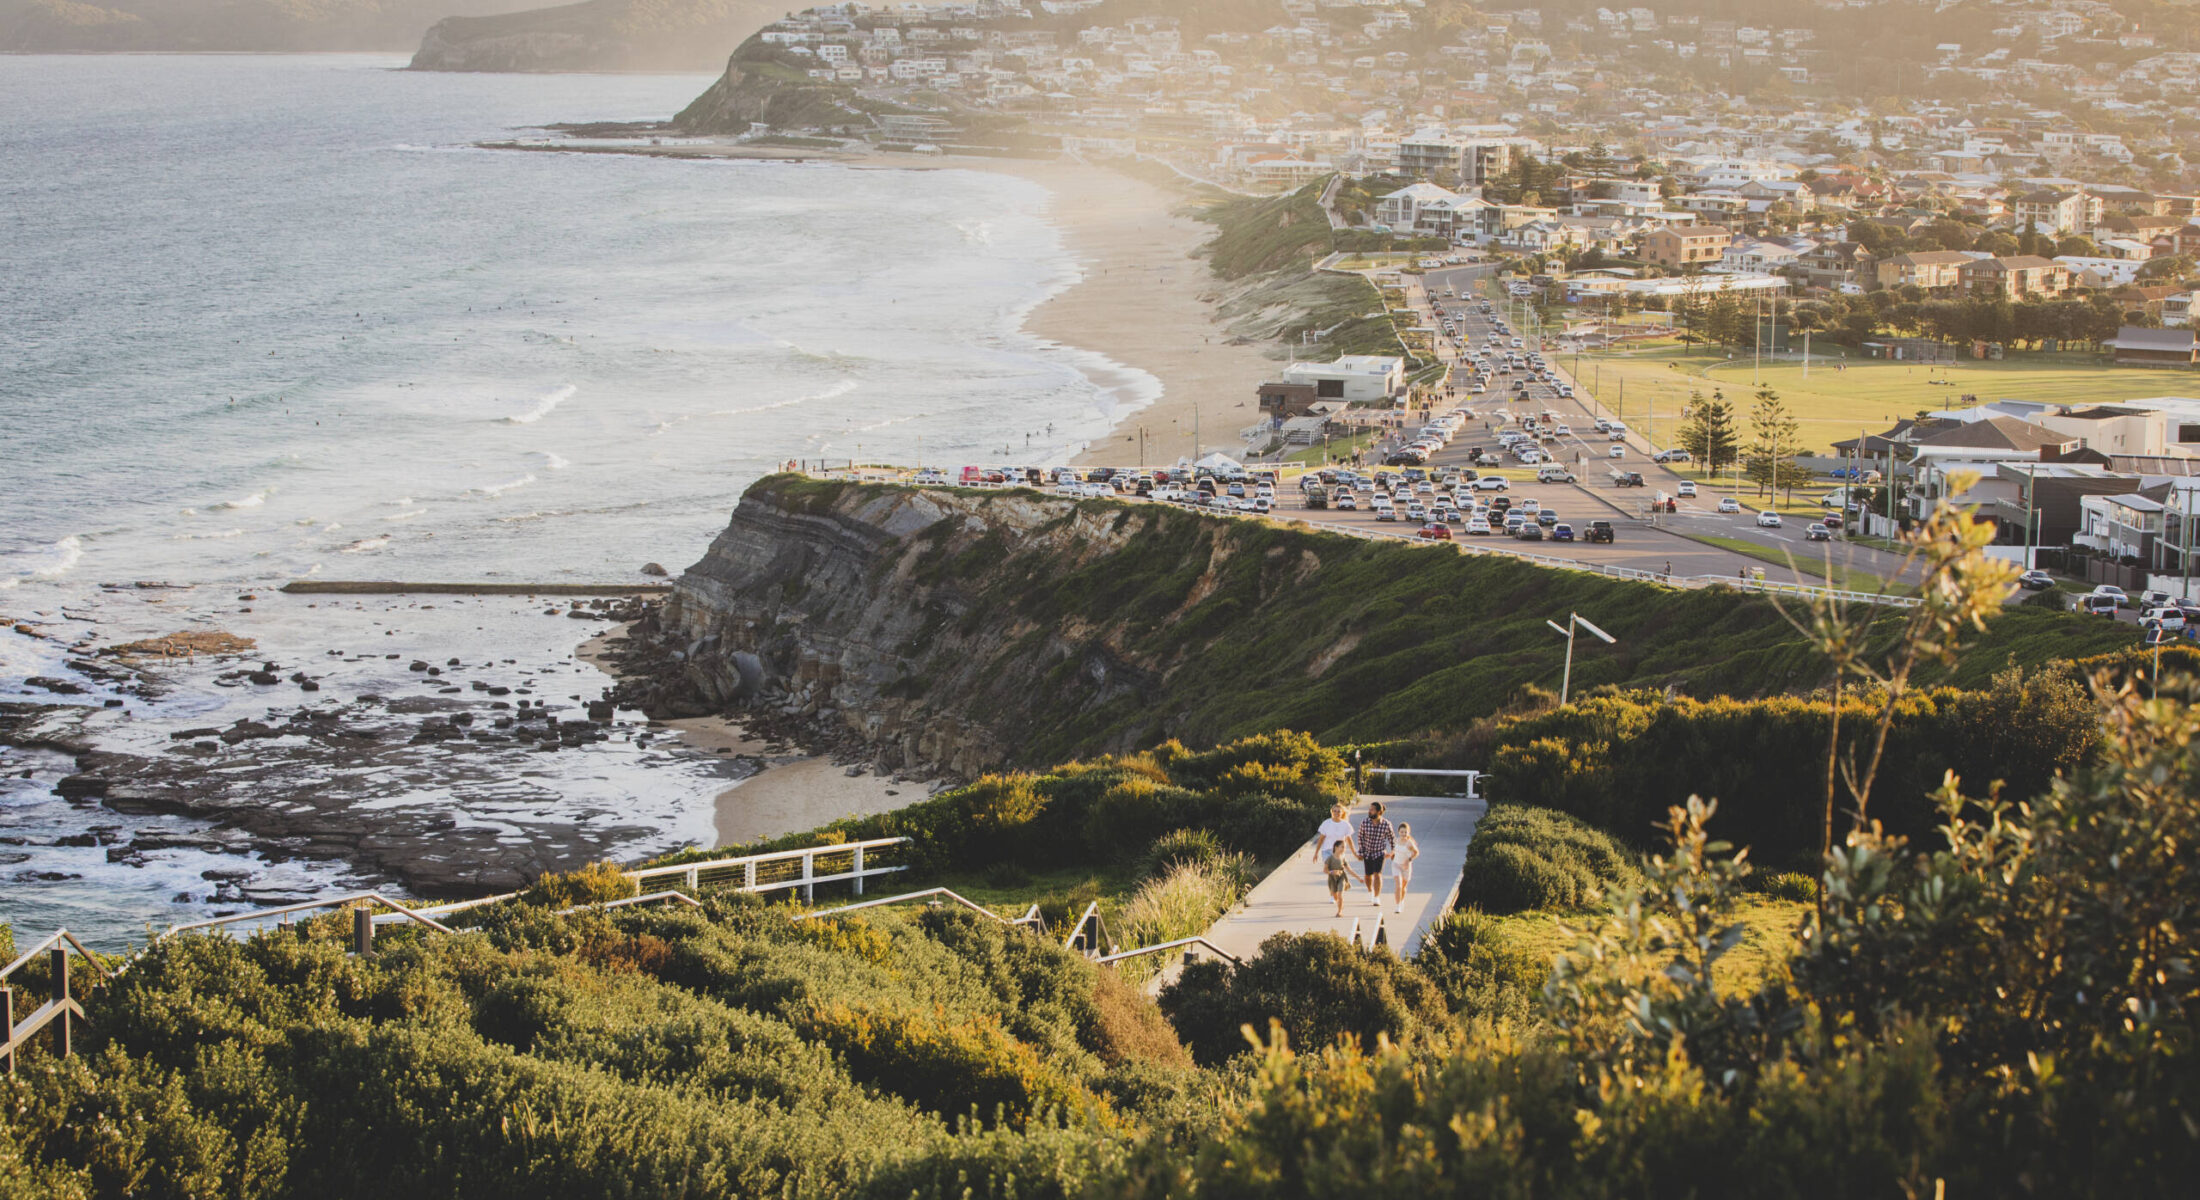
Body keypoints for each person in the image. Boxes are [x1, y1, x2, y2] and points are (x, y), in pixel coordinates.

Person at [1354, 801, 1396, 906]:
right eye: (1369, 809)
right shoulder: (1365, 822)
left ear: (1379, 811)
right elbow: (1360, 837)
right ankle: (1370, 891)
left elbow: (1392, 839)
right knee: (1368, 876)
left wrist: (1393, 852)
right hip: (1367, 852)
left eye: (1372, 809)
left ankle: (1377, 897)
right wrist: (1361, 852)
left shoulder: (1386, 824)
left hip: (1379, 853)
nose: (1369, 811)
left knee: (1378, 874)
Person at [1391, 822, 1420, 913]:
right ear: (1398, 832)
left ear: (1408, 833)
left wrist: (1409, 860)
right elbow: (1394, 851)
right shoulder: (1395, 840)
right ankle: (1398, 905)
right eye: (1402, 832)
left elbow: (1416, 853)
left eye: (1405, 832)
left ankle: (1402, 900)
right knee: (1398, 886)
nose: (1403, 834)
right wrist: (1389, 855)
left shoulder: (1409, 843)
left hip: (1406, 867)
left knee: (1403, 887)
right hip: (1396, 865)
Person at [1324, 839, 1352, 916]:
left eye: (1345, 847)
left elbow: (1349, 870)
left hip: (1341, 878)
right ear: (1336, 847)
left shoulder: (1343, 858)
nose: (1344, 849)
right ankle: (1340, 905)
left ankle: (1339, 912)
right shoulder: (1330, 858)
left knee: (1340, 895)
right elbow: (1325, 870)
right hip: (1332, 879)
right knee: (1335, 897)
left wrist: (1359, 878)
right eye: (1342, 847)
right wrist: (1332, 872)